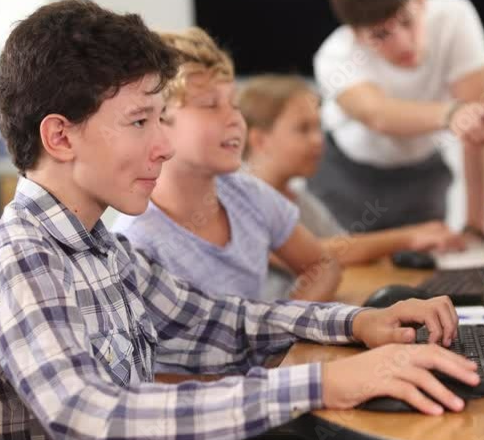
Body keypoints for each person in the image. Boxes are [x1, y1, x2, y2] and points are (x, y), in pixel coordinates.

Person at [0, 0, 478, 440]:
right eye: (140, 121)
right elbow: (96, 427)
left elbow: (218, 321)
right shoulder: (18, 262)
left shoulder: (100, 249)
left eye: (161, 119)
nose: (163, 146)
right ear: (60, 137)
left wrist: (358, 323)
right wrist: (322, 383)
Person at [112, 27, 340, 302]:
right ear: (156, 119)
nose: (234, 119)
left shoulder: (247, 193)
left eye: (234, 104)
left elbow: (322, 266)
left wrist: (286, 323)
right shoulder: (137, 243)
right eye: (211, 105)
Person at [308, 0, 484, 235]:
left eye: (407, 21)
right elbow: (378, 115)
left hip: (423, 174)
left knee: (431, 257)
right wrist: (452, 114)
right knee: (344, 260)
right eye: (380, 35)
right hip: (347, 179)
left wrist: (476, 225)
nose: (402, 44)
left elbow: (477, 128)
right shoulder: (335, 56)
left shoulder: (455, 17)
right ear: (356, 34)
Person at [239, 73, 466, 270]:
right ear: (260, 140)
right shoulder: (241, 201)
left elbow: (342, 246)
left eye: (318, 127)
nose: (318, 140)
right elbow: (310, 255)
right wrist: (408, 238)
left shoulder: (301, 201)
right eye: (303, 129)